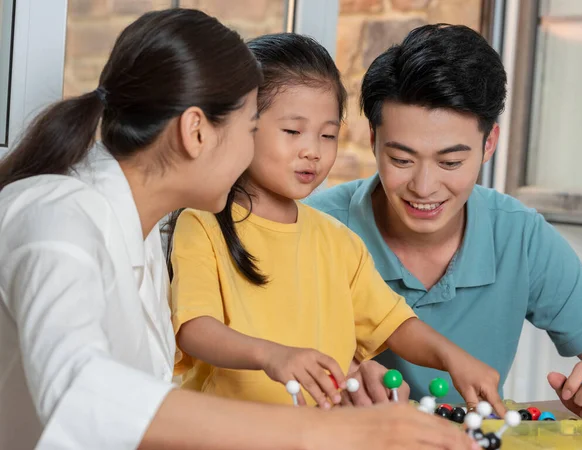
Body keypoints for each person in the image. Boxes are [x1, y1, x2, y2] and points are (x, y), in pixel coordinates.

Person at [0, 9, 479, 450]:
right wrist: (322, 431)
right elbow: (81, 393)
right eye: (254, 127)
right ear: (196, 132)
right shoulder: (57, 218)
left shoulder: (140, 237)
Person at [168, 32, 505, 418]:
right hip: (228, 433)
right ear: (241, 124)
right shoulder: (202, 224)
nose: (313, 150)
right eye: (293, 131)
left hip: (320, 435)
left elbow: (394, 324)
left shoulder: (336, 240)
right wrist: (271, 356)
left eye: (327, 135)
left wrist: (453, 358)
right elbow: (193, 329)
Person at [305, 23, 582, 419]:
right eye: (401, 160)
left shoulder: (520, 236)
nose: (424, 187)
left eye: (451, 162)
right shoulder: (315, 230)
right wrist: (337, 373)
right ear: (373, 140)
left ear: (489, 144)